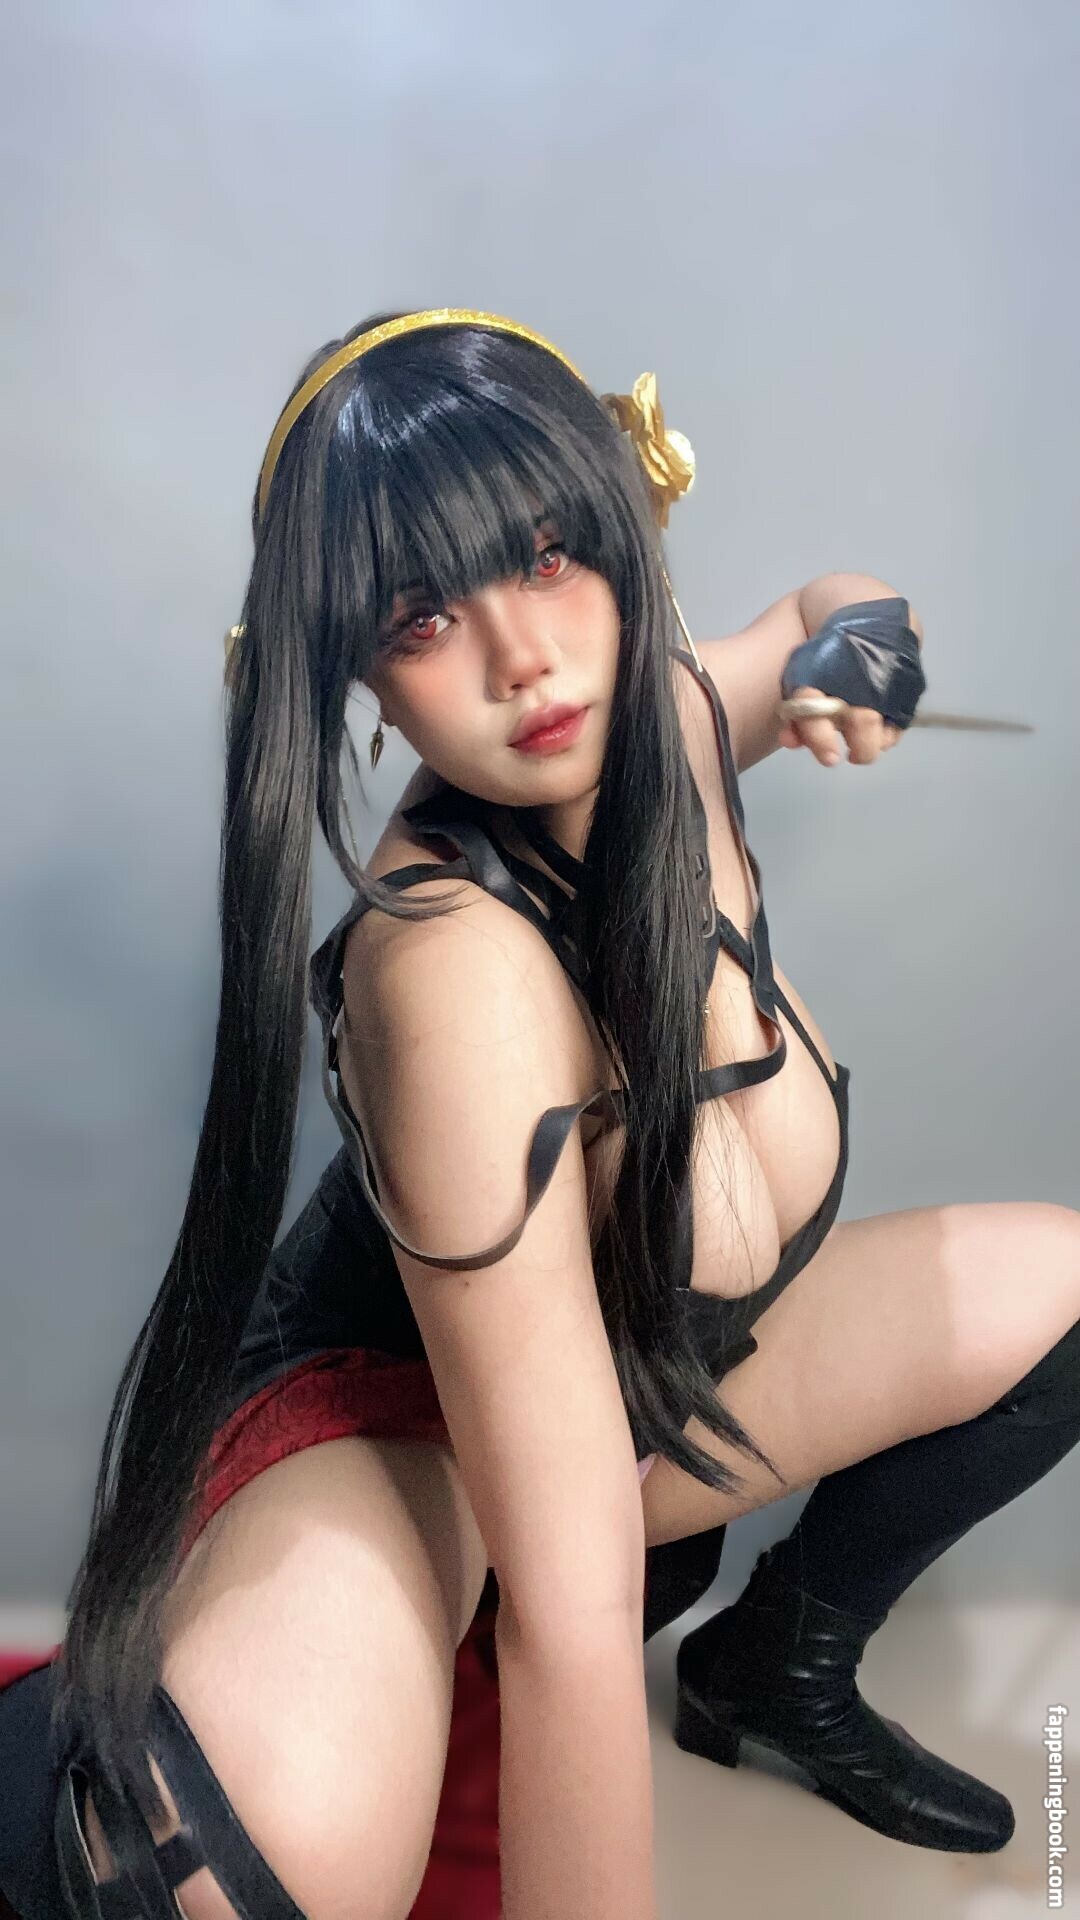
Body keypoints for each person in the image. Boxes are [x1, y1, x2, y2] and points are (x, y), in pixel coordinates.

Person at [2, 306, 1079, 1920]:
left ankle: (777, 1669)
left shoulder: (662, 716)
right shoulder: (453, 970)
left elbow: (818, 611)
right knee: (246, 1853)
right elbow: (570, 1611)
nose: (525, 658)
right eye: (423, 615)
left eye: (551, 553)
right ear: (360, 674)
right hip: (402, 1430)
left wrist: (865, 636)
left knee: (1060, 1283)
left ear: (624, 529)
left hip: (633, 1377)